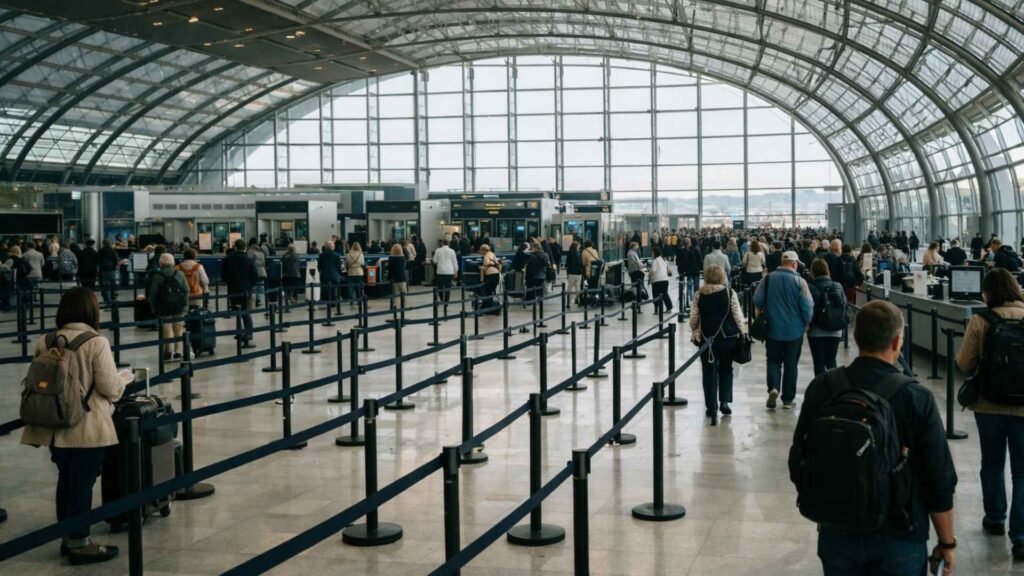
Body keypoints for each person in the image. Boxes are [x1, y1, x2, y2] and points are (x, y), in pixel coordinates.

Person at [790, 299, 958, 576]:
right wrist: (947, 542)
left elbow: (799, 458)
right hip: (901, 532)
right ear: (897, 342)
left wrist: (827, 500)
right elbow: (938, 479)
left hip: (837, 529)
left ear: (855, 338)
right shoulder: (917, 398)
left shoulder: (823, 388)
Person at [21, 287, 126, 565]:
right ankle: (79, 541)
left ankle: (68, 536)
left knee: (66, 479)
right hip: (86, 425)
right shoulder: (95, 341)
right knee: (82, 482)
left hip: (53, 424)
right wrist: (123, 380)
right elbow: (109, 386)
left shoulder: (45, 341)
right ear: (91, 311)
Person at [956, 269, 1024, 557]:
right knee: (1022, 472)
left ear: (988, 292)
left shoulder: (980, 320)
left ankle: (995, 518)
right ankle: (1021, 536)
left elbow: (965, 363)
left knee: (993, 462)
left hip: (988, 405)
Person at [752, 251, 814, 409]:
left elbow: (757, 301)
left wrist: (760, 319)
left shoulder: (768, 278)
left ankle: (773, 388)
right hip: (794, 331)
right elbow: (808, 307)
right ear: (794, 264)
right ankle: (788, 399)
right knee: (791, 364)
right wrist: (807, 324)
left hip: (773, 329)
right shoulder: (800, 282)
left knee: (773, 360)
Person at [690, 264, 745, 418]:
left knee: (708, 372)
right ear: (722, 276)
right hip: (728, 337)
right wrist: (743, 332)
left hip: (708, 338)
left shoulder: (699, 294)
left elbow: (694, 318)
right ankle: (725, 402)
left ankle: (710, 406)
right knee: (726, 369)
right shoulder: (729, 293)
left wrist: (694, 331)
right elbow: (737, 315)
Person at [807, 259, 846, 376]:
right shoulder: (837, 285)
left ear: (812, 272)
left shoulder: (810, 287)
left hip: (816, 331)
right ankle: (833, 388)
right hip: (835, 329)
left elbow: (808, 308)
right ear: (827, 271)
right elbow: (844, 304)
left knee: (818, 363)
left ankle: (820, 389)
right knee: (831, 361)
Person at [147, 253, 189, 362]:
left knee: (166, 328)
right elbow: (186, 290)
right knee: (178, 328)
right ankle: (178, 352)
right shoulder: (179, 274)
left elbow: (153, 294)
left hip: (163, 306)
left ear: (161, 263)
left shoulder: (157, 276)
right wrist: (185, 306)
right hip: (179, 306)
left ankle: (168, 352)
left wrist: (153, 307)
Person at [221, 239, 257, 346]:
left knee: (237, 312)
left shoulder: (228, 258)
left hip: (233, 289)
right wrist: (250, 285)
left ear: (235, 247)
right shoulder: (248, 259)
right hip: (246, 290)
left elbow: (223, 274)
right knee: (246, 313)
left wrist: (230, 282)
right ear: (244, 247)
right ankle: (249, 334)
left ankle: (239, 333)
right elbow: (254, 275)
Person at [433, 238, 459, 311]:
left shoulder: (438, 250)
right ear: (448, 244)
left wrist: (439, 262)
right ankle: (446, 303)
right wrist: (455, 271)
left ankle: (441, 298)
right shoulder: (452, 251)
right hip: (449, 271)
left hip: (440, 271)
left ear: (442, 243)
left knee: (440, 287)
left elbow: (434, 261)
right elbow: (454, 262)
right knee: (448, 287)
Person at [677, 238, 702, 307]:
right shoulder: (695, 250)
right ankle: (695, 301)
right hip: (695, 271)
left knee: (689, 286)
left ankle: (689, 301)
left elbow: (678, 262)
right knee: (696, 286)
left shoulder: (682, 250)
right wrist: (701, 268)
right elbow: (699, 260)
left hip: (688, 272)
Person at [648, 246, 672, 313]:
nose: (651, 254)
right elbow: (669, 270)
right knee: (665, 294)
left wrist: (649, 275)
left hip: (657, 280)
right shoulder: (664, 259)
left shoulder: (655, 260)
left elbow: (653, 270)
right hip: (665, 280)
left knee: (655, 295)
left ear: (655, 253)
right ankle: (669, 307)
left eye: (652, 253)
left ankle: (656, 309)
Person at [97, 239, 120, 306]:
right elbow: (116, 260)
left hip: (104, 270)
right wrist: (115, 266)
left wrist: (98, 271)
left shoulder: (101, 251)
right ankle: (113, 300)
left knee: (106, 286)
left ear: (103, 244)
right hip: (112, 270)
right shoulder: (112, 250)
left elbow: (98, 261)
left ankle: (108, 301)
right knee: (112, 284)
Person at [246, 239, 267, 307]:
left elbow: (249, 262)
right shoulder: (261, 251)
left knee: (253, 287)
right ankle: (259, 300)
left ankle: (254, 301)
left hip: (254, 271)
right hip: (262, 271)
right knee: (260, 286)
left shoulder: (250, 251)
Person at [565, 241, 583, 307]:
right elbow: (581, 263)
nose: (579, 247)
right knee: (578, 287)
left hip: (571, 273)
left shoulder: (569, 253)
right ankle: (578, 300)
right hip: (578, 273)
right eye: (578, 246)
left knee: (570, 287)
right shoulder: (579, 253)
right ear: (576, 246)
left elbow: (567, 263)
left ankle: (568, 302)